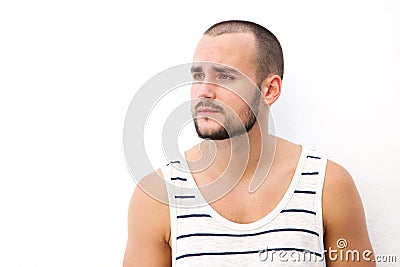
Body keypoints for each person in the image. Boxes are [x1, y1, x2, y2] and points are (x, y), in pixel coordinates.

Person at [123, 20, 375, 266]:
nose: (204, 91)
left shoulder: (327, 185)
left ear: (269, 90)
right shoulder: (159, 195)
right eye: (198, 75)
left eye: (224, 76)